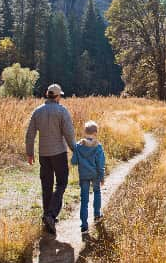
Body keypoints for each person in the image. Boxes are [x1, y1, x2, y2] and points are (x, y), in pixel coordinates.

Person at [25, 84, 76, 235]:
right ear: (58, 96)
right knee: (62, 183)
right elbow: (69, 134)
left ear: (47, 95)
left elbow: (30, 134)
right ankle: (51, 215)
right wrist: (76, 151)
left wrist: (29, 153)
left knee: (46, 185)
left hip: (43, 154)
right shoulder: (62, 111)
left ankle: (47, 217)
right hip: (59, 153)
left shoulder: (37, 111)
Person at [72, 120, 106, 233]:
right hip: (95, 174)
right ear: (95, 133)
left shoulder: (78, 145)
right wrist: (102, 177)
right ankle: (97, 214)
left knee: (84, 199)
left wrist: (79, 158)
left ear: (85, 132)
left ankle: (84, 225)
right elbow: (100, 164)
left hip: (83, 175)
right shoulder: (98, 146)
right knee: (97, 192)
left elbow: (74, 161)